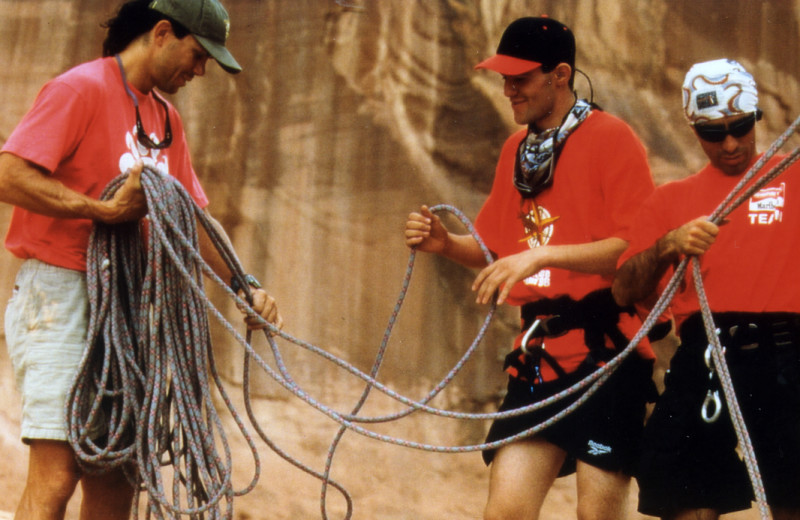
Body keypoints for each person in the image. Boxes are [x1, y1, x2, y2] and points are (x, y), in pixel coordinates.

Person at [0, 0, 283, 518]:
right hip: (62, 293)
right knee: (59, 471)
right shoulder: (79, 89)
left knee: (117, 481)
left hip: (129, 309)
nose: (199, 71)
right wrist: (101, 211)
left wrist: (245, 286)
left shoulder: (166, 117)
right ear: (160, 33)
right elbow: (8, 175)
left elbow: (191, 221)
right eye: (198, 55)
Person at [405, 16, 658, 520]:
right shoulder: (514, 150)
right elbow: (498, 250)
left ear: (559, 74)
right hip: (540, 355)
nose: (507, 90)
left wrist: (545, 254)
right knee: (505, 512)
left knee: (596, 516)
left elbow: (636, 247)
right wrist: (447, 245)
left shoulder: (612, 137)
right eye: (503, 78)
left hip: (608, 356)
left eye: (519, 78)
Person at [612, 58, 800, 520]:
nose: (731, 144)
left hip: (788, 352)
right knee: (683, 496)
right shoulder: (671, 200)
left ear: (757, 118)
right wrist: (668, 245)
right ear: (694, 129)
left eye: (740, 127)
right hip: (706, 354)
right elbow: (622, 290)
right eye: (714, 133)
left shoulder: (793, 176)